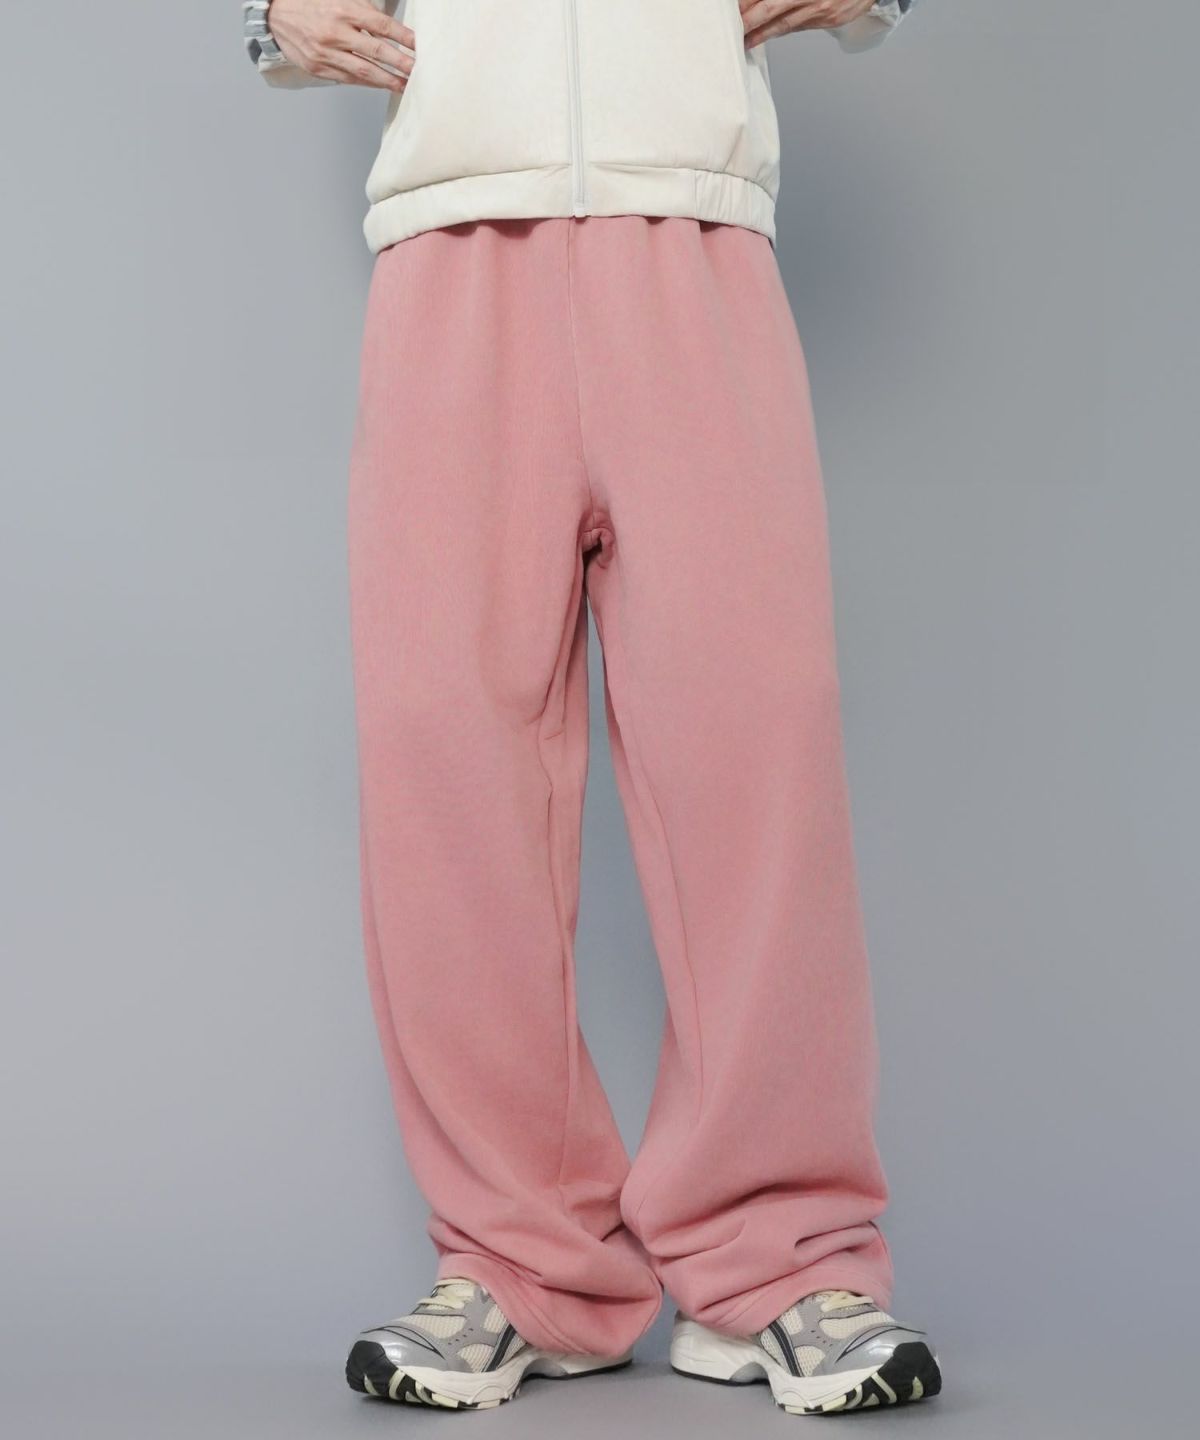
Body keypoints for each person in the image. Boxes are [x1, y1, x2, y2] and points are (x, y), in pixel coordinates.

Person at [244, 0, 940, 1415]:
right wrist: (260, 12)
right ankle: (522, 1265)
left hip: (693, 239)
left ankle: (782, 1262)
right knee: (448, 765)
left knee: (754, 752)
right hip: (453, 243)